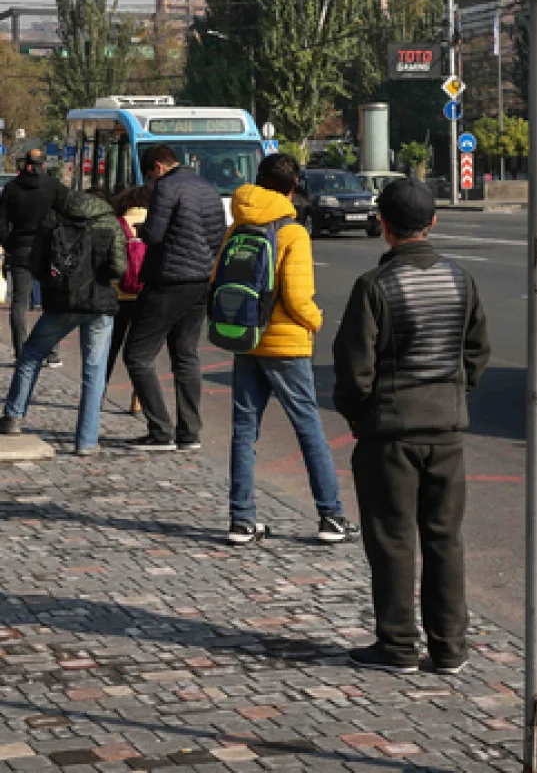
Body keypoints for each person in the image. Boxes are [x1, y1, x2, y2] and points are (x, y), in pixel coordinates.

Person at [334, 179, 490, 674]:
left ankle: (398, 645)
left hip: (390, 433)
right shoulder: (460, 279)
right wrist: (452, 396)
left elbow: (354, 367)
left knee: (393, 539)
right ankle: (450, 648)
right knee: (445, 538)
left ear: (383, 226)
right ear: (433, 223)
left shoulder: (375, 286)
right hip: (445, 430)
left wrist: (359, 415)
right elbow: (477, 351)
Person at [219, 154, 358, 546]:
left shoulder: (238, 226)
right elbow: (297, 298)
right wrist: (315, 319)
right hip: (287, 345)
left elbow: (217, 279)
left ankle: (241, 520)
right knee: (308, 427)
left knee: (244, 430)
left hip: (246, 337)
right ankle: (331, 516)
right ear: (293, 186)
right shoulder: (292, 232)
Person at [0, 190, 127, 454]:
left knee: (32, 354)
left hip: (61, 302)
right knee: (94, 370)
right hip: (98, 302)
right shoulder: (108, 221)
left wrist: (55, 282)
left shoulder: (53, 218)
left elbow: (36, 263)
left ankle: (13, 416)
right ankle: (86, 441)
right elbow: (118, 268)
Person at [123, 144, 225, 452]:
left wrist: (141, 230)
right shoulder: (207, 188)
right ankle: (189, 432)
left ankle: (160, 430)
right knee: (186, 355)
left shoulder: (167, 188)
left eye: (150, 176)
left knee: (137, 355)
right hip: (200, 280)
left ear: (158, 167)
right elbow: (217, 234)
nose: (151, 183)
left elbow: (154, 234)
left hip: (168, 280)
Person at [0, 150, 66, 367]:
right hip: (48, 249)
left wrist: (10, 244)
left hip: (21, 248)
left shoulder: (11, 189)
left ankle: (21, 353)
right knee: (51, 301)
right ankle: (52, 352)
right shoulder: (54, 187)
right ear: (42, 165)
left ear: (26, 165)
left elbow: (1, 223)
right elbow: (66, 214)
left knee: (20, 302)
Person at [106, 185, 151, 415]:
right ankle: (138, 399)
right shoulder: (156, 222)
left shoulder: (117, 223)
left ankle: (98, 393)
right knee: (140, 353)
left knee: (110, 347)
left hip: (118, 294)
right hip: (146, 295)